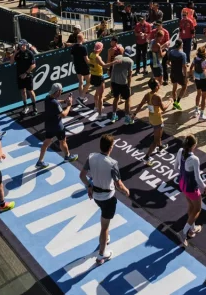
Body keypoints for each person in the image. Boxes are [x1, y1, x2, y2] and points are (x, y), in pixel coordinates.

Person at [81, 134, 131, 264]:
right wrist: (126, 191)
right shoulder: (112, 163)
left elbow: (82, 175)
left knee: (104, 222)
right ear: (110, 148)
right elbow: (119, 184)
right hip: (108, 199)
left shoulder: (91, 157)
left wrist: (89, 186)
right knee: (104, 227)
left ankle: (105, 237)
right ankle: (101, 255)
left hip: (96, 196)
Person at [36, 84, 80, 168]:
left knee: (46, 143)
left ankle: (40, 161)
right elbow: (63, 114)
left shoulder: (47, 98)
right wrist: (69, 105)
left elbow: (56, 101)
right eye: (61, 91)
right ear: (58, 91)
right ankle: (67, 156)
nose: (61, 92)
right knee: (63, 141)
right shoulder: (55, 103)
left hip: (49, 126)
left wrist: (64, 101)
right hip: (58, 127)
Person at [177, 134, 205, 244]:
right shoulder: (194, 159)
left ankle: (192, 228)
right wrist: (205, 188)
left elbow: (176, 167)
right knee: (197, 209)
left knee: (191, 206)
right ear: (194, 145)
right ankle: (183, 233)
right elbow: (198, 178)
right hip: (191, 187)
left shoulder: (180, 151)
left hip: (182, 184)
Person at [135, 79, 167, 166]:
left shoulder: (147, 95)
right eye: (158, 83)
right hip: (157, 120)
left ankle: (160, 147)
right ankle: (147, 157)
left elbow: (140, 105)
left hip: (152, 119)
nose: (160, 84)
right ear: (156, 87)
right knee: (156, 140)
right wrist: (170, 101)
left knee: (159, 133)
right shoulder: (157, 97)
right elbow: (163, 109)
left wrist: (134, 114)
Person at [108, 52, 134, 123]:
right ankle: (127, 118)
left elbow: (112, 70)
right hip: (123, 84)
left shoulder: (117, 57)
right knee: (127, 99)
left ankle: (113, 115)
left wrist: (111, 83)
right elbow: (129, 76)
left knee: (116, 98)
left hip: (114, 82)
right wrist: (129, 86)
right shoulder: (130, 61)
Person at [86, 41, 110, 117]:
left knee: (97, 92)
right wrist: (114, 63)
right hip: (99, 77)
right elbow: (104, 65)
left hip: (93, 76)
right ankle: (100, 113)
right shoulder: (98, 57)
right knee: (101, 96)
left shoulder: (91, 54)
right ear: (100, 49)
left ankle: (96, 107)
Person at [14, 41, 38, 115]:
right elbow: (11, 61)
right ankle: (25, 106)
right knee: (22, 91)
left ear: (25, 45)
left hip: (28, 75)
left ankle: (34, 107)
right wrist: (15, 52)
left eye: (22, 45)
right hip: (19, 75)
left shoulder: (30, 53)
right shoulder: (18, 53)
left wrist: (26, 73)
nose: (21, 46)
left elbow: (33, 65)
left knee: (30, 91)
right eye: (20, 45)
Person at [166, 39, 189, 111]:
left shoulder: (171, 52)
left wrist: (172, 66)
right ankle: (177, 102)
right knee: (184, 87)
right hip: (180, 74)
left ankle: (175, 102)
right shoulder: (183, 54)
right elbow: (184, 66)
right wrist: (185, 76)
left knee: (174, 88)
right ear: (181, 45)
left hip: (173, 73)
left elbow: (168, 62)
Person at [190, 46, 206, 121]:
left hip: (197, 79)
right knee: (204, 97)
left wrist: (191, 76)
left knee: (198, 94)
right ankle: (201, 115)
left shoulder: (195, 59)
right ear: (204, 53)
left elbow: (191, 68)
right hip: (203, 79)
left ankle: (196, 110)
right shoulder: (205, 61)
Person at [70, 32, 91, 105]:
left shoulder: (73, 46)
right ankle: (81, 97)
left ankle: (81, 97)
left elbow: (72, 57)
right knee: (89, 81)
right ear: (81, 38)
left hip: (77, 66)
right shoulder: (83, 47)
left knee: (81, 82)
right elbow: (86, 60)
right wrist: (93, 62)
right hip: (84, 67)